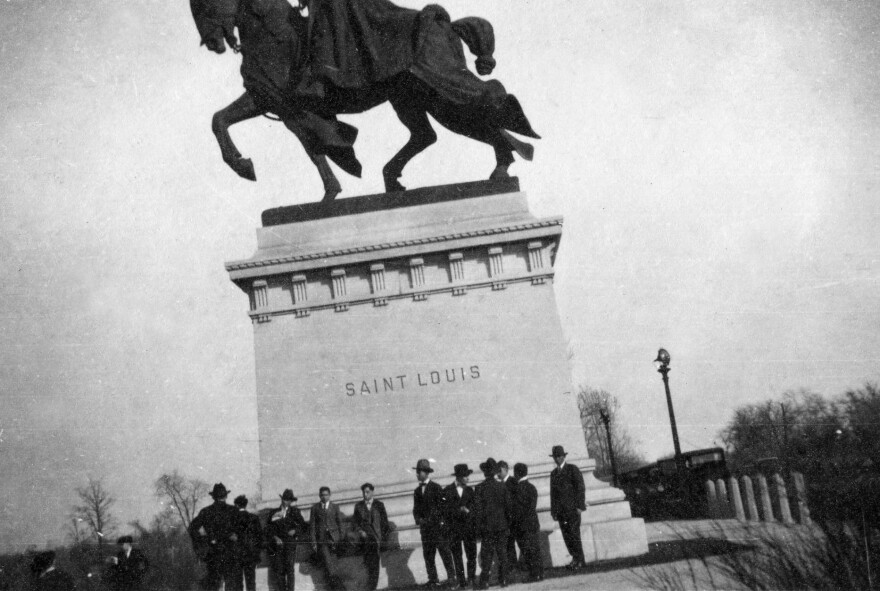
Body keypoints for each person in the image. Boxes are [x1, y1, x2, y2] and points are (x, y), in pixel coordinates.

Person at [412, 458, 455, 588]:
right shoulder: (417, 491)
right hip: (425, 530)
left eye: (419, 472)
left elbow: (442, 508)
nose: (417, 474)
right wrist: (418, 519)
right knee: (428, 556)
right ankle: (433, 580)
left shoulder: (436, 488)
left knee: (445, 553)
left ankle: (452, 578)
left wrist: (431, 520)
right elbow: (415, 509)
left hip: (438, 530)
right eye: (417, 471)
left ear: (425, 472)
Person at [189, 482, 241, 591]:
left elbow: (192, 529)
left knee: (213, 586)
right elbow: (243, 531)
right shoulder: (234, 511)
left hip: (213, 553)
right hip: (231, 553)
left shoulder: (206, 512)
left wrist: (204, 541)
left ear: (213, 497)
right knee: (232, 585)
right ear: (226, 496)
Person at [473, 457, 512, 589]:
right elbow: (508, 508)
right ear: (495, 471)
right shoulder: (502, 486)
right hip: (501, 526)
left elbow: (478, 513)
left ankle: (484, 582)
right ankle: (504, 580)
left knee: (487, 556)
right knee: (502, 554)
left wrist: (478, 531)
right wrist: (508, 525)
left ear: (484, 473)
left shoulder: (479, 488)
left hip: (487, 528)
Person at [549, 445, 587, 569]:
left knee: (575, 535)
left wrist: (579, 506)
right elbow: (553, 494)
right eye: (555, 456)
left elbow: (580, 488)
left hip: (572, 510)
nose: (557, 459)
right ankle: (574, 559)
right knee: (567, 536)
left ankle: (580, 560)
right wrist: (553, 511)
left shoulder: (572, 469)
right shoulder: (553, 474)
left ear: (564, 456)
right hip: (561, 512)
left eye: (559, 456)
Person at [265, 489, 307, 591]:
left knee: (290, 570)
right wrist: (275, 537)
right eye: (285, 499)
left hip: (290, 544)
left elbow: (303, 526)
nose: (286, 502)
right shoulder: (273, 512)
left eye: (289, 500)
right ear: (282, 499)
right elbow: (267, 529)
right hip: (278, 545)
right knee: (280, 570)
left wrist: (295, 530)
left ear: (291, 501)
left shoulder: (295, 512)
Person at [444, 463, 477, 590]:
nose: (468, 478)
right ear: (458, 477)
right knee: (457, 556)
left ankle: (472, 579)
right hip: (454, 529)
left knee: (471, 555)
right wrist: (459, 510)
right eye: (465, 476)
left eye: (468, 475)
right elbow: (445, 511)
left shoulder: (470, 490)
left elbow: (474, 509)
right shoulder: (447, 491)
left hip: (469, 528)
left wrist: (469, 511)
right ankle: (462, 582)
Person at [352, 482, 390, 591]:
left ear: (372, 492)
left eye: (367, 492)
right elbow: (355, 523)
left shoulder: (379, 505)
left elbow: (385, 524)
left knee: (374, 564)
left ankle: (371, 587)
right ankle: (371, 587)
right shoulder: (358, 506)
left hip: (377, 539)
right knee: (370, 564)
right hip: (365, 540)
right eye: (363, 492)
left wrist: (383, 539)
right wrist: (360, 531)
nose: (365, 494)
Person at [512, 463, 543, 582]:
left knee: (528, 550)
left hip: (522, 526)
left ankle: (534, 574)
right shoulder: (532, 487)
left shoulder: (518, 489)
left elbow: (517, 510)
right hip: (533, 523)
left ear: (516, 474)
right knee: (535, 549)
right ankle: (539, 573)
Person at [309, 487, 344, 590]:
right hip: (322, 541)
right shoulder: (315, 508)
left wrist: (340, 539)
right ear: (319, 496)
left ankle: (333, 588)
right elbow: (312, 527)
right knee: (329, 566)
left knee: (333, 567)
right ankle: (339, 588)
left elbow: (340, 524)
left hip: (334, 541)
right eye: (322, 495)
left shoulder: (335, 507)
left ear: (330, 495)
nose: (324, 497)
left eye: (326, 495)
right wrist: (314, 543)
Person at [233, 495, 263, 591]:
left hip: (236, 555)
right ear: (245, 505)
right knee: (251, 583)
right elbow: (260, 537)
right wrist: (257, 553)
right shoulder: (254, 518)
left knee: (238, 583)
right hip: (251, 555)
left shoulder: (232, 519)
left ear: (236, 505)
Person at [497, 460, 519, 569]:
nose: (497, 473)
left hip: (514, 519)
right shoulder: (498, 484)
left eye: (499, 470)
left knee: (516, 543)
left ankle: (516, 565)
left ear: (506, 469)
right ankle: (512, 566)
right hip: (504, 520)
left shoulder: (514, 482)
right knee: (508, 545)